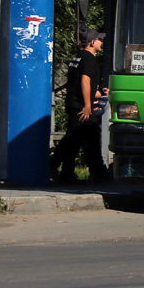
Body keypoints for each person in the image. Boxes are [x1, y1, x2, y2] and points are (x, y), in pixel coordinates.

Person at [51, 27, 110, 184]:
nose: (101, 42)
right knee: (84, 138)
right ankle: (97, 172)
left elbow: (85, 85)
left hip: (74, 103)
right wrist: (87, 105)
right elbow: (85, 81)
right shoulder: (89, 59)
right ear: (92, 42)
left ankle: (66, 172)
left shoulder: (77, 58)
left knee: (76, 139)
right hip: (82, 107)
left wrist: (101, 94)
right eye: (99, 40)